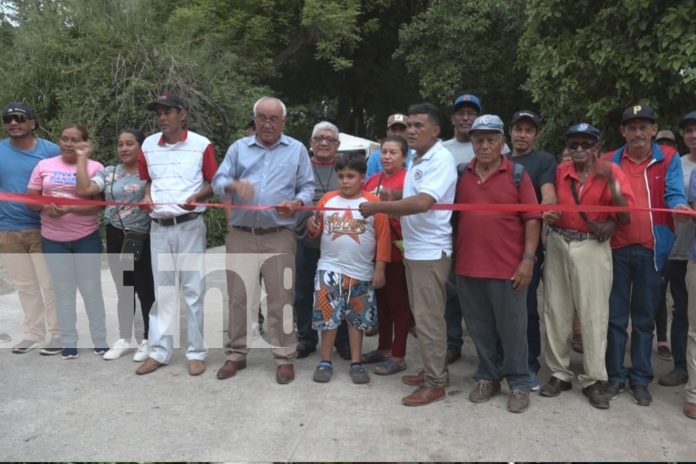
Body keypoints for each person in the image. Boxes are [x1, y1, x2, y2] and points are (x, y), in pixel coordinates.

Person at [360, 102, 456, 407]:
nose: (411, 131)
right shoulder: (417, 157)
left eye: (418, 126)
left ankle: (436, 383)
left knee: (428, 320)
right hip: (416, 249)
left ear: (436, 131)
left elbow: (424, 202)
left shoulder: (441, 158)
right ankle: (433, 371)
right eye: (409, 125)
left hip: (430, 250)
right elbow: (415, 194)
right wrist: (394, 195)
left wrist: (380, 206)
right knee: (424, 315)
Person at [212, 96, 314, 384]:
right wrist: (233, 184)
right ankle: (236, 355)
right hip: (242, 235)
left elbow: (308, 187)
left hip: (279, 235)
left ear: (283, 121)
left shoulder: (296, 150)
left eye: (273, 119)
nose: (267, 124)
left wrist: (296, 202)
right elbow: (218, 180)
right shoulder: (238, 148)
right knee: (239, 297)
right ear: (254, 119)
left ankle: (284, 358)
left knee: (281, 299)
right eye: (262, 118)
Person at [541, 123, 634, 410]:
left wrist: (612, 184)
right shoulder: (561, 172)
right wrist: (550, 211)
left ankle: (594, 379)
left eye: (586, 144)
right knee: (556, 310)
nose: (579, 149)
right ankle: (559, 373)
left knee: (594, 313)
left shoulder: (612, 171)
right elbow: (550, 201)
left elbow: (627, 215)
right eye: (574, 144)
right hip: (559, 242)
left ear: (597, 146)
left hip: (592, 246)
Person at [453, 114, 540, 414]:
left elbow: (532, 219)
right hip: (468, 267)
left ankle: (519, 383)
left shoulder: (517, 174)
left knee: (514, 329)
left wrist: (528, 260)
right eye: (479, 139)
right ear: (472, 142)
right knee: (479, 328)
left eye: (491, 139)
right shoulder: (462, 173)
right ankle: (488, 376)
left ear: (502, 142)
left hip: (507, 269)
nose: (484, 144)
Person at [604, 104, 690, 406]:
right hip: (615, 249)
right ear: (623, 132)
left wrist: (679, 207)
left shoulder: (667, 158)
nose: (638, 132)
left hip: (652, 251)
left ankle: (640, 378)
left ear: (654, 130)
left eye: (644, 126)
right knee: (615, 318)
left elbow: (674, 193)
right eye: (632, 126)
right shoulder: (609, 160)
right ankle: (614, 375)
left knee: (643, 320)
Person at [135, 93, 218, 376]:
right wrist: (146, 197)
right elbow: (148, 182)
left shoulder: (201, 145)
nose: (162, 118)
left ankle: (196, 352)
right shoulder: (147, 145)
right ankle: (159, 351)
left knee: (194, 290)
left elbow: (213, 182)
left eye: (168, 112)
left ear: (183, 114)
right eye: (158, 113)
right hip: (159, 227)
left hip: (190, 224)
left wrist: (198, 196)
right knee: (163, 292)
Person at [307, 152, 390, 384]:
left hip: (361, 271)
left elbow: (383, 237)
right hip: (329, 268)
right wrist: (312, 226)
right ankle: (325, 361)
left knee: (357, 319)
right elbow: (316, 230)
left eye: (350, 176)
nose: (344, 181)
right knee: (327, 317)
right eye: (341, 176)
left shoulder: (374, 204)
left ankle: (356, 362)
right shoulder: (327, 200)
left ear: (362, 177)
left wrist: (380, 268)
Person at [26, 123, 107, 359]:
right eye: (64, 139)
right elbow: (30, 200)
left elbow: (98, 206)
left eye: (74, 140)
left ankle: (100, 339)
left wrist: (69, 208)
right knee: (62, 292)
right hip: (53, 240)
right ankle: (69, 341)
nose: (68, 144)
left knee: (91, 290)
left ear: (85, 143)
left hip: (86, 239)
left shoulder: (95, 167)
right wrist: (45, 206)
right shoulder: (43, 165)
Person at [75, 129, 155, 362]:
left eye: (130, 143)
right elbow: (85, 189)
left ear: (140, 147)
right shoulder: (108, 172)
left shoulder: (148, 174)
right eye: (120, 144)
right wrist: (82, 157)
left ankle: (149, 339)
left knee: (145, 289)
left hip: (140, 236)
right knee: (124, 289)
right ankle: (124, 338)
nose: (124, 148)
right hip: (114, 234)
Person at [442, 93, 510, 364]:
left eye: (471, 113)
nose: (465, 117)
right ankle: (452, 342)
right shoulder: (442, 150)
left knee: (483, 297)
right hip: (449, 231)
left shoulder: (497, 149)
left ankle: (491, 353)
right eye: (461, 113)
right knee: (451, 294)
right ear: (453, 119)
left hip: (484, 234)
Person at [0, 102, 60, 355]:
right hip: (8, 229)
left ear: (32, 123)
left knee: (50, 285)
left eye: (20, 118)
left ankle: (59, 335)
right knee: (25, 286)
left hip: (44, 227)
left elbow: (66, 183)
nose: (13, 123)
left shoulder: (51, 151)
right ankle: (32, 333)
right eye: (8, 119)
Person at [507, 110, 557, 389]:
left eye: (529, 130)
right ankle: (503, 360)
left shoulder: (544, 160)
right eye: (518, 129)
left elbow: (547, 191)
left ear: (536, 135)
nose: (522, 135)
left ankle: (528, 363)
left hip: (529, 243)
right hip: (500, 244)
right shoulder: (500, 161)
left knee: (526, 306)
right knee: (501, 306)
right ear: (510, 132)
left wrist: (549, 206)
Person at [295, 121, 350, 360]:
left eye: (330, 139)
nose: (324, 142)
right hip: (305, 239)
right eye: (319, 138)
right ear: (311, 143)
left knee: (341, 292)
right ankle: (307, 338)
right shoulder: (300, 167)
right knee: (304, 291)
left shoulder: (346, 169)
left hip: (339, 243)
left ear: (338, 145)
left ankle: (343, 340)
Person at [361, 135, 412, 375]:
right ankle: (383, 348)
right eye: (384, 152)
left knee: (398, 303)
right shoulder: (372, 179)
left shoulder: (410, 179)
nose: (387, 156)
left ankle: (399, 356)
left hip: (398, 250)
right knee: (380, 301)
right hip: (372, 250)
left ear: (404, 157)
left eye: (393, 152)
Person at [659, 111, 696, 388]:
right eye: (688, 130)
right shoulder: (676, 164)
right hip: (677, 249)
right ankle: (682, 367)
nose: (693, 135)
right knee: (680, 310)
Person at [365, 114, 412, 178]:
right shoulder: (375, 157)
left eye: (402, 130)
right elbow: (369, 184)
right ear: (387, 132)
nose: (397, 134)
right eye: (394, 129)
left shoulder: (417, 156)